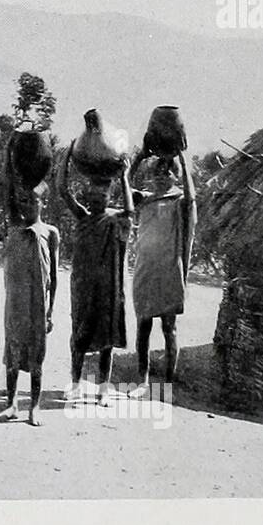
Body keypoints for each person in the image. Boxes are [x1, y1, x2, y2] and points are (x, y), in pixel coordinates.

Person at [59, 150, 135, 404]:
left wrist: (124, 177)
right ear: (86, 198)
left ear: (107, 197)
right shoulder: (82, 217)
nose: (95, 198)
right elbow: (63, 191)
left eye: (101, 195)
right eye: (91, 195)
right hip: (83, 287)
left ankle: (103, 388)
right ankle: (75, 383)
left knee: (107, 340)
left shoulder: (115, 221)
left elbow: (130, 210)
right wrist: (67, 158)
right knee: (79, 336)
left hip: (109, 287)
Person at [128, 154, 196, 394]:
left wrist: (184, 161)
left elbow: (191, 197)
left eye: (167, 171)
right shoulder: (143, 200)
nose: (161, 175)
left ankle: (167, 383)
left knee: (169, 328)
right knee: (143, 326)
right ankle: (142, 381)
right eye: (158, 171)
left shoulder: (178, 201)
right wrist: (139, 157)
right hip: (146, 268)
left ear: (175, 176)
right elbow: (125, 187)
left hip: (168, 270)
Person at [0, 187, 59, 425]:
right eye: (24, 200)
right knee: (12, 353)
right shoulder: (14, 230)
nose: (29, 205)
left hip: (37, 303)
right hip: (15, 302)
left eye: (34, 200)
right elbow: (9, 188)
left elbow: (53, 276)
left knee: (36, 357)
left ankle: (34, 406)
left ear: (42, 203)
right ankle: (11, 404)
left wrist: (50, 311)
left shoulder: (50, 233)